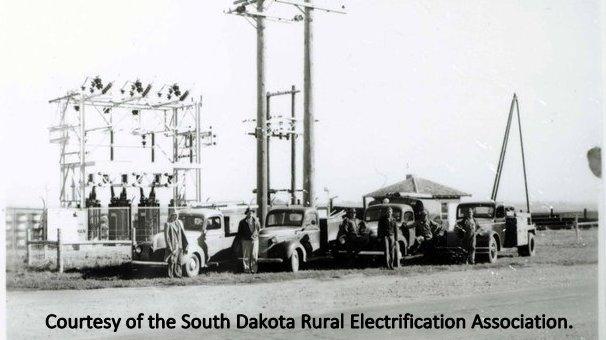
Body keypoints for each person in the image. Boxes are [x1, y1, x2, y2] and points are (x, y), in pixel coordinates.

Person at [164, 211, 188, 278]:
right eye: (174, 215)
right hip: (173, 246)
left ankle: (178, 274)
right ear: (171, 215)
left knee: (179, 261)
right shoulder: (167, 224)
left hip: (180, 245)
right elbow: (167, 237)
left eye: (176, 215)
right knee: (171, 261)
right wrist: (170, 247)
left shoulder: (179, 223)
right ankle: (170, 275)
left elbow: (183, 234)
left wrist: (185, 244)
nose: (175, 216)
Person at [238, 207, 261, 273]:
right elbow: (240, 232)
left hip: (255, 240)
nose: (250, 213)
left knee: (254, 255)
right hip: (245, 241)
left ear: (253, 213)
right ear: (246, 213)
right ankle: (247, 270)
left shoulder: (256, 221)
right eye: (249, 212)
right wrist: (242, 239)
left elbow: (258, 229)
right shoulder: (242, 222)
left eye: (251, 212)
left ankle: (254, 270)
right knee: (246, 256)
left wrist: (255, 236)